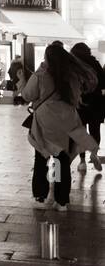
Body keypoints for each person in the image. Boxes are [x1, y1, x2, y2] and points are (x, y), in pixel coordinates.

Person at [21, 43, 102, 211]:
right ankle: (62, 200)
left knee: (41, 159)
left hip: (44, 123)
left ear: (47, 58)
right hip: (67, 121)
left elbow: (27, 95)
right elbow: (76, 98)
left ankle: (41, 197)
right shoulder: (72, 76)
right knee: (61, 161)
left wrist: (27, 81)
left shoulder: (41, 74)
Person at [70, 43, 104, 174]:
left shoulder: (74, 65)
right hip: (96, 103)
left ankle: (82, 162)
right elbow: (103, 83)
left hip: (80, 103)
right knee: (95, 130)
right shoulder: (95, 64)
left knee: (81, 133)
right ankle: (94, 153)